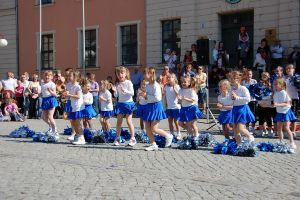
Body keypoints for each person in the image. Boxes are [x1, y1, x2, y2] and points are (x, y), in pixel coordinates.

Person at [142, 67, 174, 151]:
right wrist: (144, 97)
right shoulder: (147, 85)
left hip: (156, 107)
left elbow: (157, 98)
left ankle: (168, 136)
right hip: (149, 106)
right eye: (144, 73)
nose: (144, 75)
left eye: (146, 73)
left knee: (154, 128)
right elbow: (148, 97)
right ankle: (153, 144)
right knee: (147, 126)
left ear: (151, 74)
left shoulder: (155, 85)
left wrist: (146, 96)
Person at [111, 66, 136, 146]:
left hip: (128, 104)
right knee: (119, 122)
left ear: (125, 74)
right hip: (120, 104)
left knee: (129, 121)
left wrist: (125, 90)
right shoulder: (117, 83)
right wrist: (114, 91)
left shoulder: (128, 82)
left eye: (122, 73)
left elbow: (132, 93)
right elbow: (116, 95)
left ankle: (133, 138)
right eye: (118, 73)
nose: (120, 75)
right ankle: (117, 138)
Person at [230, 71, 255, 145]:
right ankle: (239, 145)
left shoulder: (243, 88)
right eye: (230, 79)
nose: (230, 80)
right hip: (235, 109)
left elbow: (248, 99)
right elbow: (232, 100)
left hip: (242, 109)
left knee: (240, 128)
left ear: (237, 79)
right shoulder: (232, 89)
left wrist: (236, 97)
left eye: (232, 79)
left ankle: (250, 136)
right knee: (235, 130)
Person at [273, 78, 297, 151]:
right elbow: (275, 103)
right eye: (275, 84)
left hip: (286, 111)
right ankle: (281, 141)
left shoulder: (284, 92)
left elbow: (288, 103)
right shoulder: (276, 93)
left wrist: (278, 104)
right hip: (279, 112)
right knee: (279, 128)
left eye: (277, 84)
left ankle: (292, 143)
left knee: (286, 128)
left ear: (281, 85)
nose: (275, 85)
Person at [63, 70, 85, 145]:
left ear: (75, 77)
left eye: (70, 76)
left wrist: (69, 95)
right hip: (73, 106)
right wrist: (66, 95)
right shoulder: (71, 85)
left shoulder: (77, 86)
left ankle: (82, 138)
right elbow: (69, 94)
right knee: (74, 122)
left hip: (78, 106)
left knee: (78, 123)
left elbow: (78, 96)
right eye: (68, 76)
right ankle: (78, 136)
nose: (68, 77)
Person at [163, 73, 181, 140]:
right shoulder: (166, 87)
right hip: (169, 107)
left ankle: (178, 133)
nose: (168, 79)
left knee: (176, 121)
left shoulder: (177, 86)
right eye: (168, 78)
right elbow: (163, 95)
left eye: (170, 77)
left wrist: (174, 88)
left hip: (176, 107)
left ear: (174, 79)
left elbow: (179, 96)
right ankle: (172, 133)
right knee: (170, 121)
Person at [40, 71, 59, 136]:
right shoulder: (42, 83)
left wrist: (50, 91)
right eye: (45, 75)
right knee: (43, 117)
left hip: (51, 100)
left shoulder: (52, 84)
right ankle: (51, 126)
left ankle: (55, 130)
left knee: (50, 117)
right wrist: (37, 95)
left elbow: (55, 94)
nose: (47, 77)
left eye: (48, 75)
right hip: (44, 100)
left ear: (51, 77)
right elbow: (42, 92)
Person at [256, 72, 274, 137]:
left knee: (268, 118)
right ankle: (261, 131)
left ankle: (270, 131)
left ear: (268, 76)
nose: (264, 76)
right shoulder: (258, 84)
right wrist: (260, 102)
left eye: (266, 75)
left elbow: (272, 94)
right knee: (261, 118)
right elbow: (256, 93)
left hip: (268, 104)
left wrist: (268, 102)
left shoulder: (271, 84)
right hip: (260, 103)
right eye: (263, 75)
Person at [285, 64, 298, 138]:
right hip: (286, 99)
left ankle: (293, 131)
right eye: (287, 69)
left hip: (294, 98)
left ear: (293, 70)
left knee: (293, 116)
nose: (289, 70)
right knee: (287, 115)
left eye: (290, 68)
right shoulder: (285, 78)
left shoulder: (297, 77)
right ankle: (288, 131)